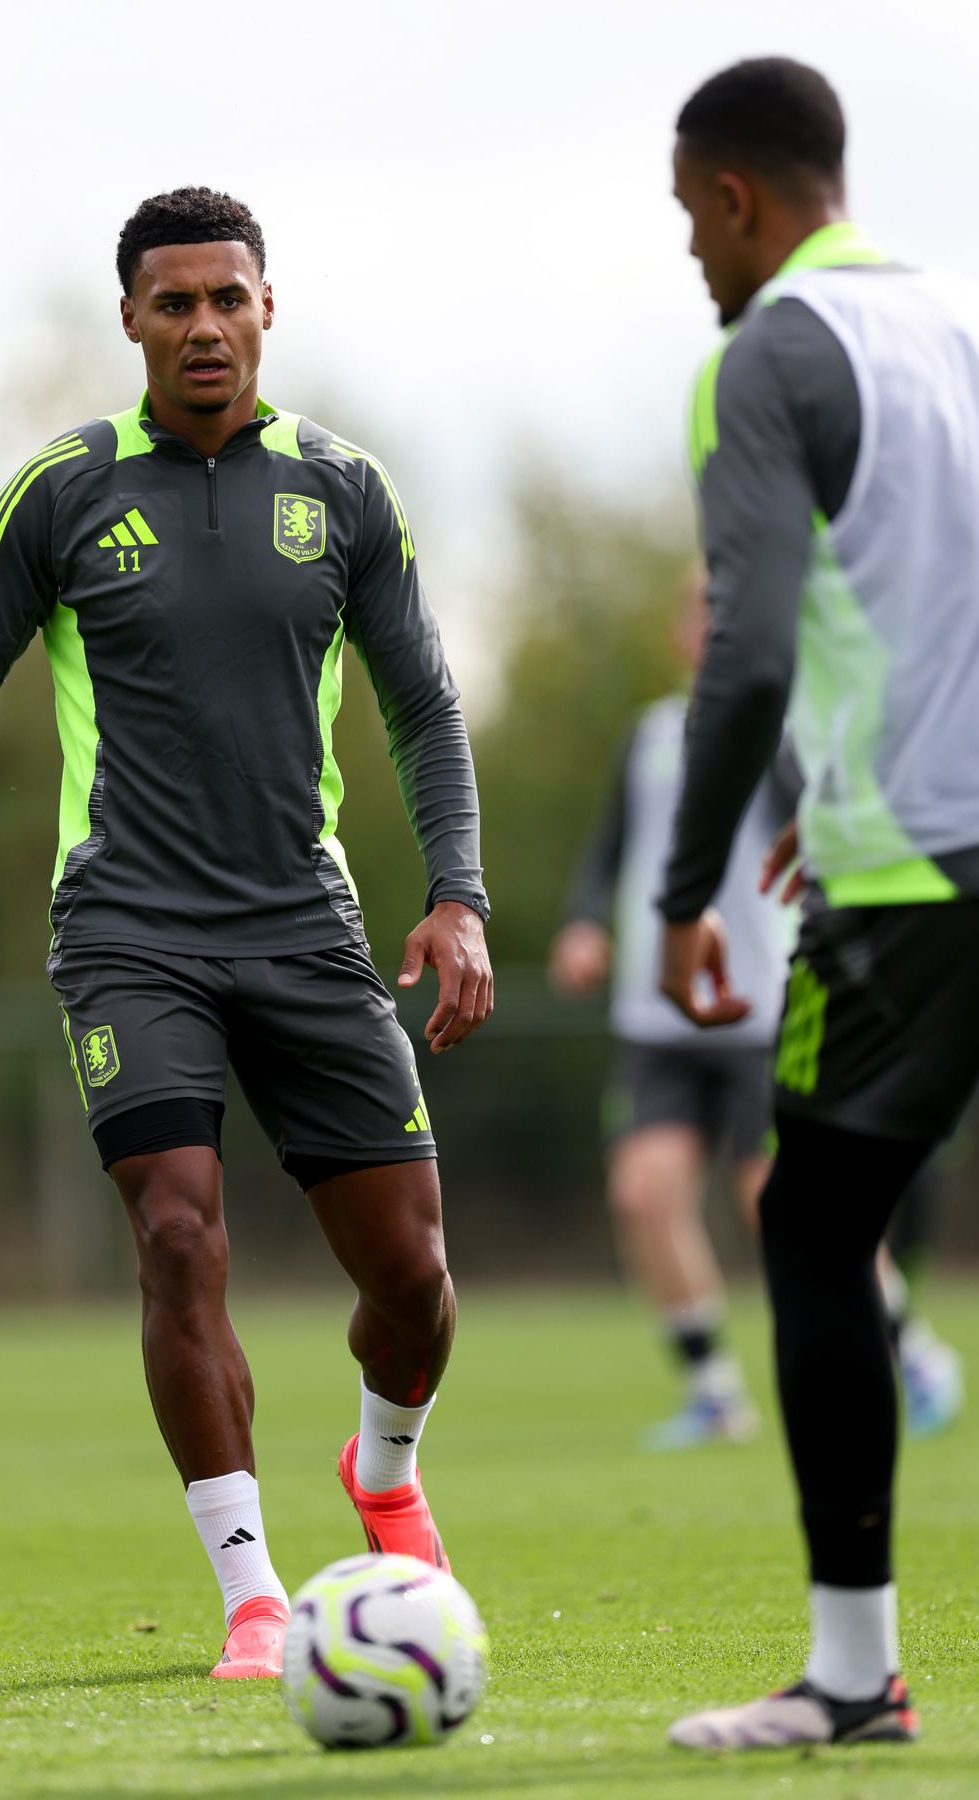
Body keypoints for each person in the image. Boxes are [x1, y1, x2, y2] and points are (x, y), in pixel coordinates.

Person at [0, 188, 493, 1682]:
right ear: (128, 319)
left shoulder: (345, 489)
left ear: (267, 308)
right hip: (129, 929)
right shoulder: (59, 493)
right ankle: (254, 1597)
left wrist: (457, 895)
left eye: (225, 298)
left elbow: (425, 707)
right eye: (171, 302)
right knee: (178, 1236)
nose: (202, 326)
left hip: (307, 930)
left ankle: (381, 1471)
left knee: (414, 1279)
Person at [658, 58, 979, 1750]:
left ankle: (852, 1677)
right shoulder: (959, 317)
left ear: (733, 198)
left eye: (685, 222)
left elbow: (751, 647)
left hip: (916, 872)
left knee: (809, 1226)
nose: (691, 260)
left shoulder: (766, 351)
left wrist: (684, 882)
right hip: (913, 821)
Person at [550, 574, 791, 1447]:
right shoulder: (647, 734)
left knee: (781, 1207)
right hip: (658, 1016)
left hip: (757, 1008)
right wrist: (583, 922)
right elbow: (610, 849)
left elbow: (821, 847)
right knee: (643, 1192)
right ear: (676, 629)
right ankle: (714, 1392)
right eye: (697, 608)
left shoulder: (779, 730)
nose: (710, 623)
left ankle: (901, 1343)